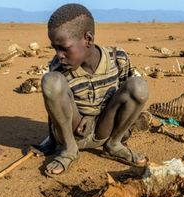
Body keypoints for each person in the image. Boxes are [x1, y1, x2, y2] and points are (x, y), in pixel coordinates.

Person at [31, 3, 149, 176]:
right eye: (55, 48)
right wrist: (50, 143)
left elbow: (125, 95)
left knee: (138, 85)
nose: (59, 55)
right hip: (74, 133)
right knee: (51, 81)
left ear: (88, 39)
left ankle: (114, 145)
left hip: (104, 130)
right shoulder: (59, 68)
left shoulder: (117, 59)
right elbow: (54, 108)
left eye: (64, 48)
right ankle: (70, 151)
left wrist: (107, 122)